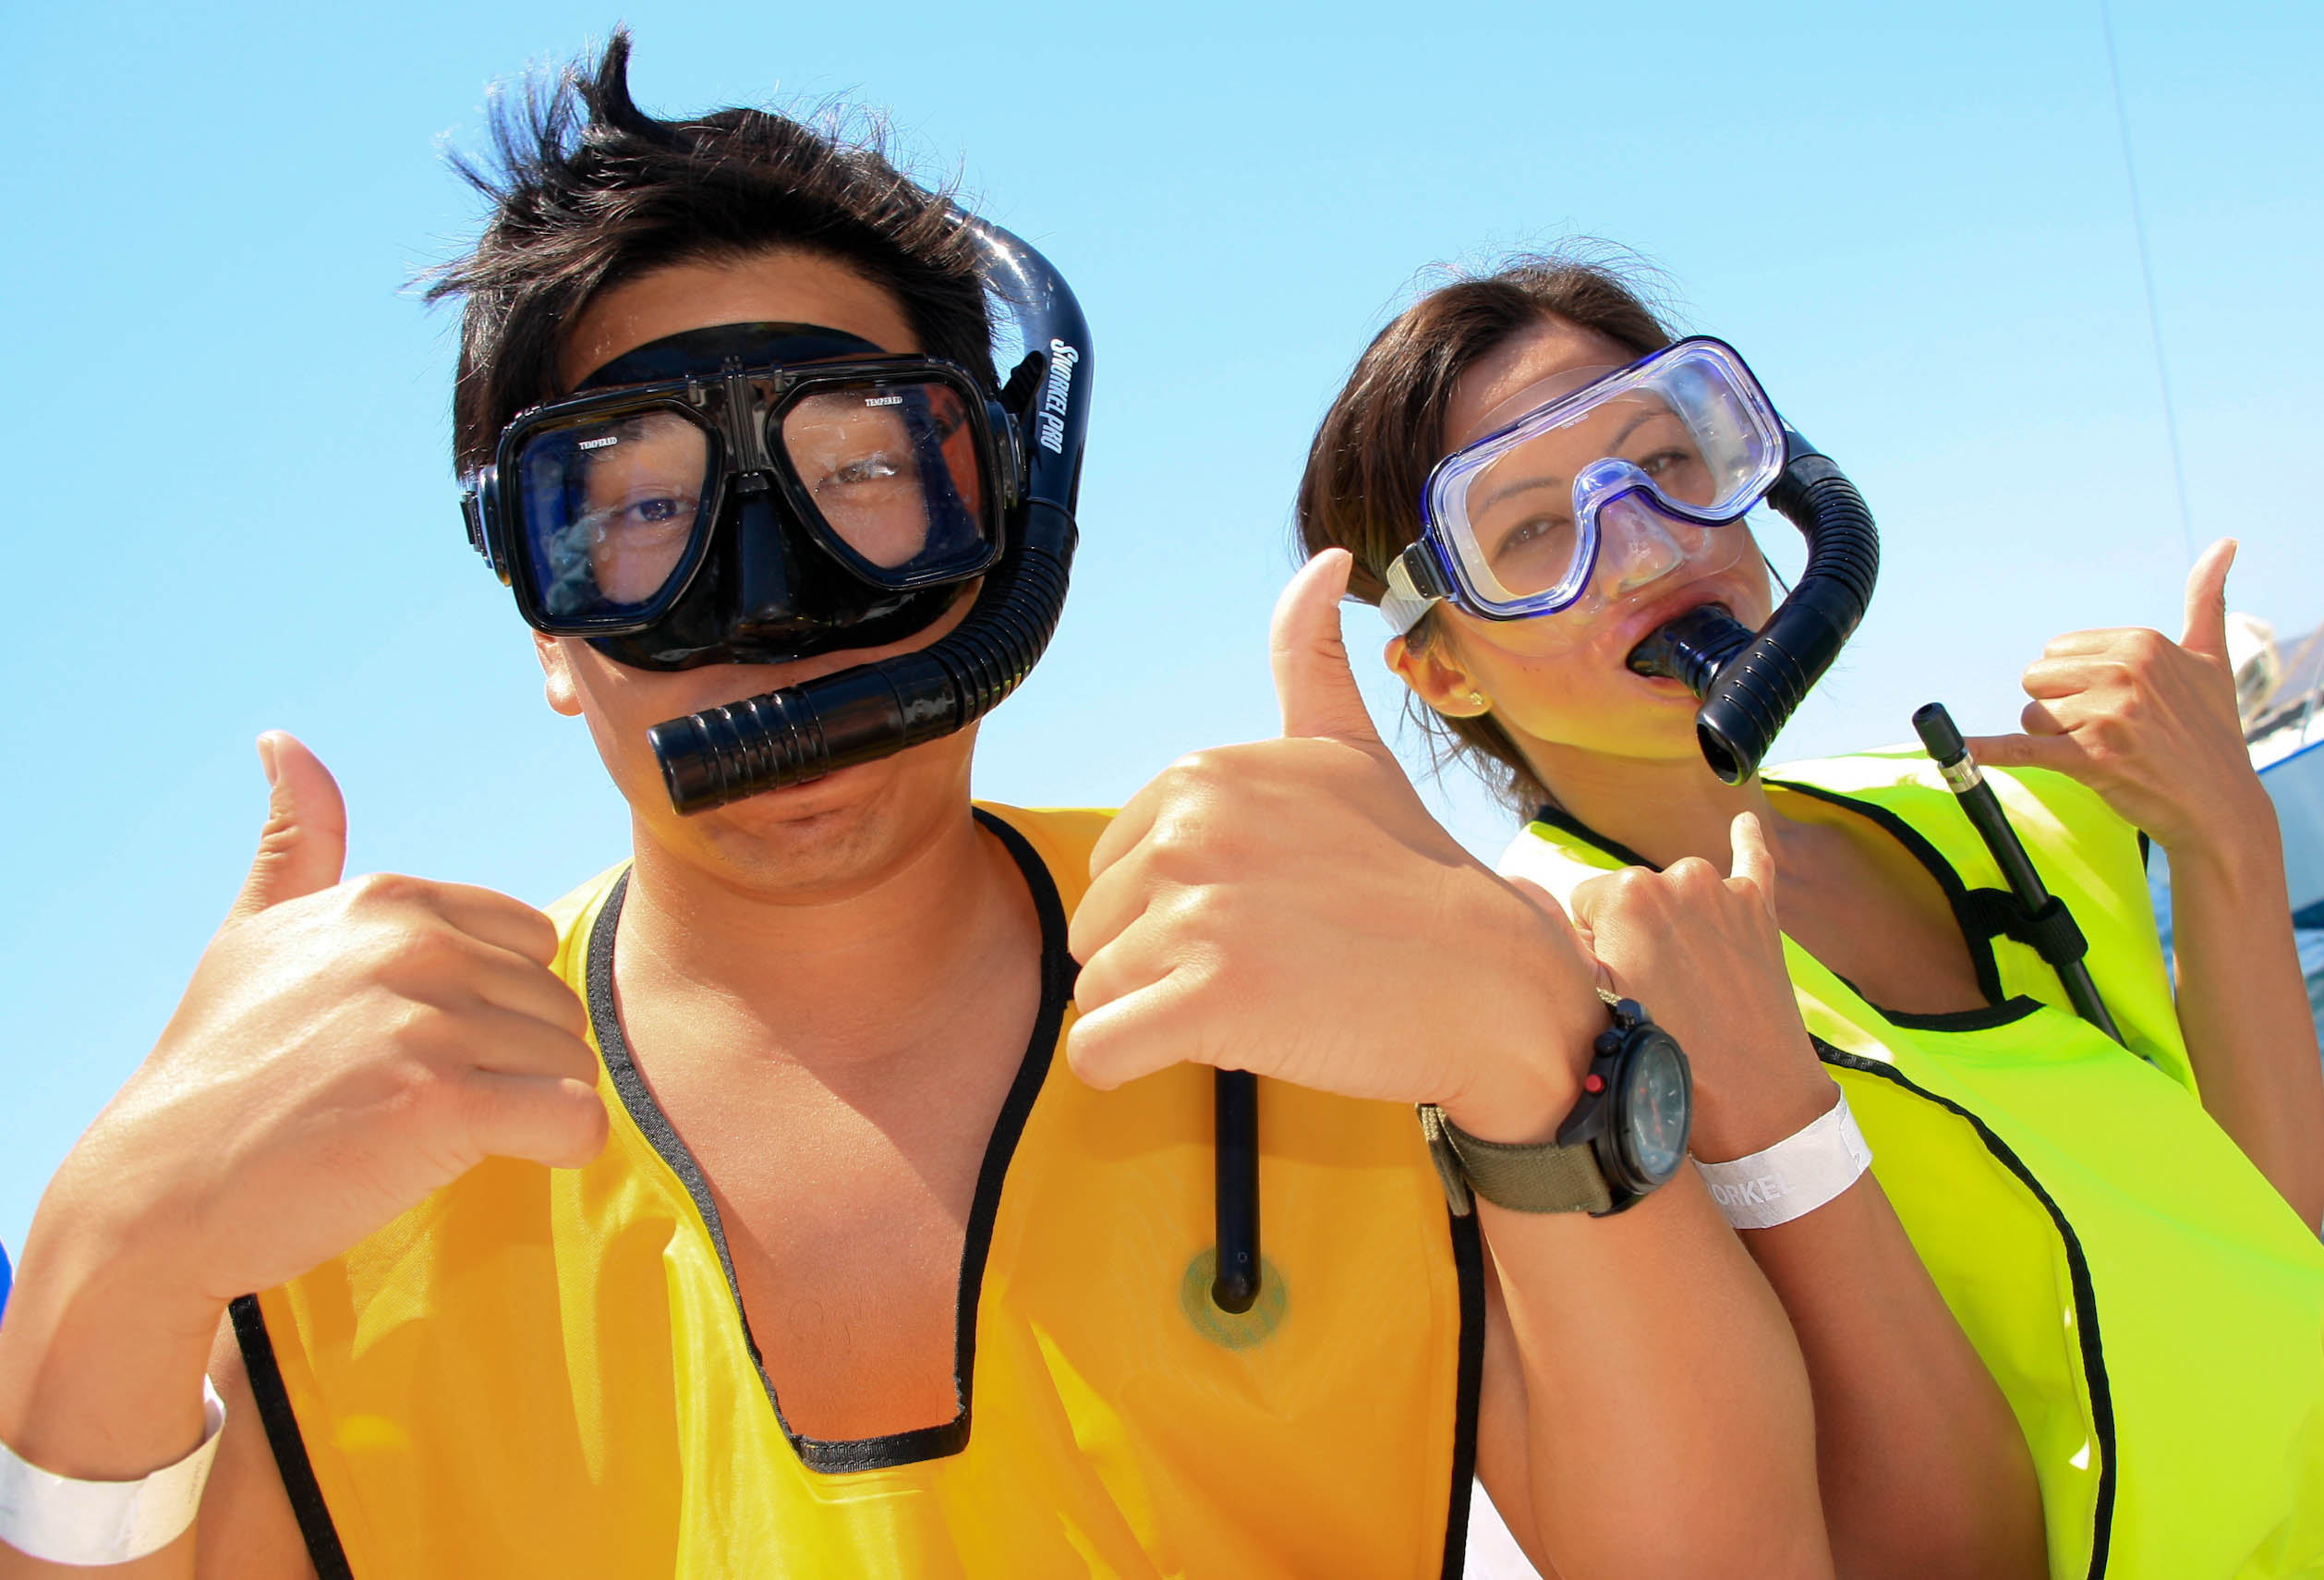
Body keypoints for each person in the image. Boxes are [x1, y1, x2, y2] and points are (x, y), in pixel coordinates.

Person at [0, 40, 1836, 1578]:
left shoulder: (1312, 989)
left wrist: (1539, 1054)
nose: (770, 597)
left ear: (1006, 528)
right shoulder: (371, 1154)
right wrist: (100, 1279)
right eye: (635, 510)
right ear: (546, 626)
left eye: (867, 470)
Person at [1295, 254, 2324, 1578]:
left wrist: (2226, 839)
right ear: (1442, 660)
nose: (1651, 539)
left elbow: (2272, 1246)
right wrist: (1784, 1121)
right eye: (1534, 529)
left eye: (1669, 452)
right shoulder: (1542, 1015)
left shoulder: (1999, 810)